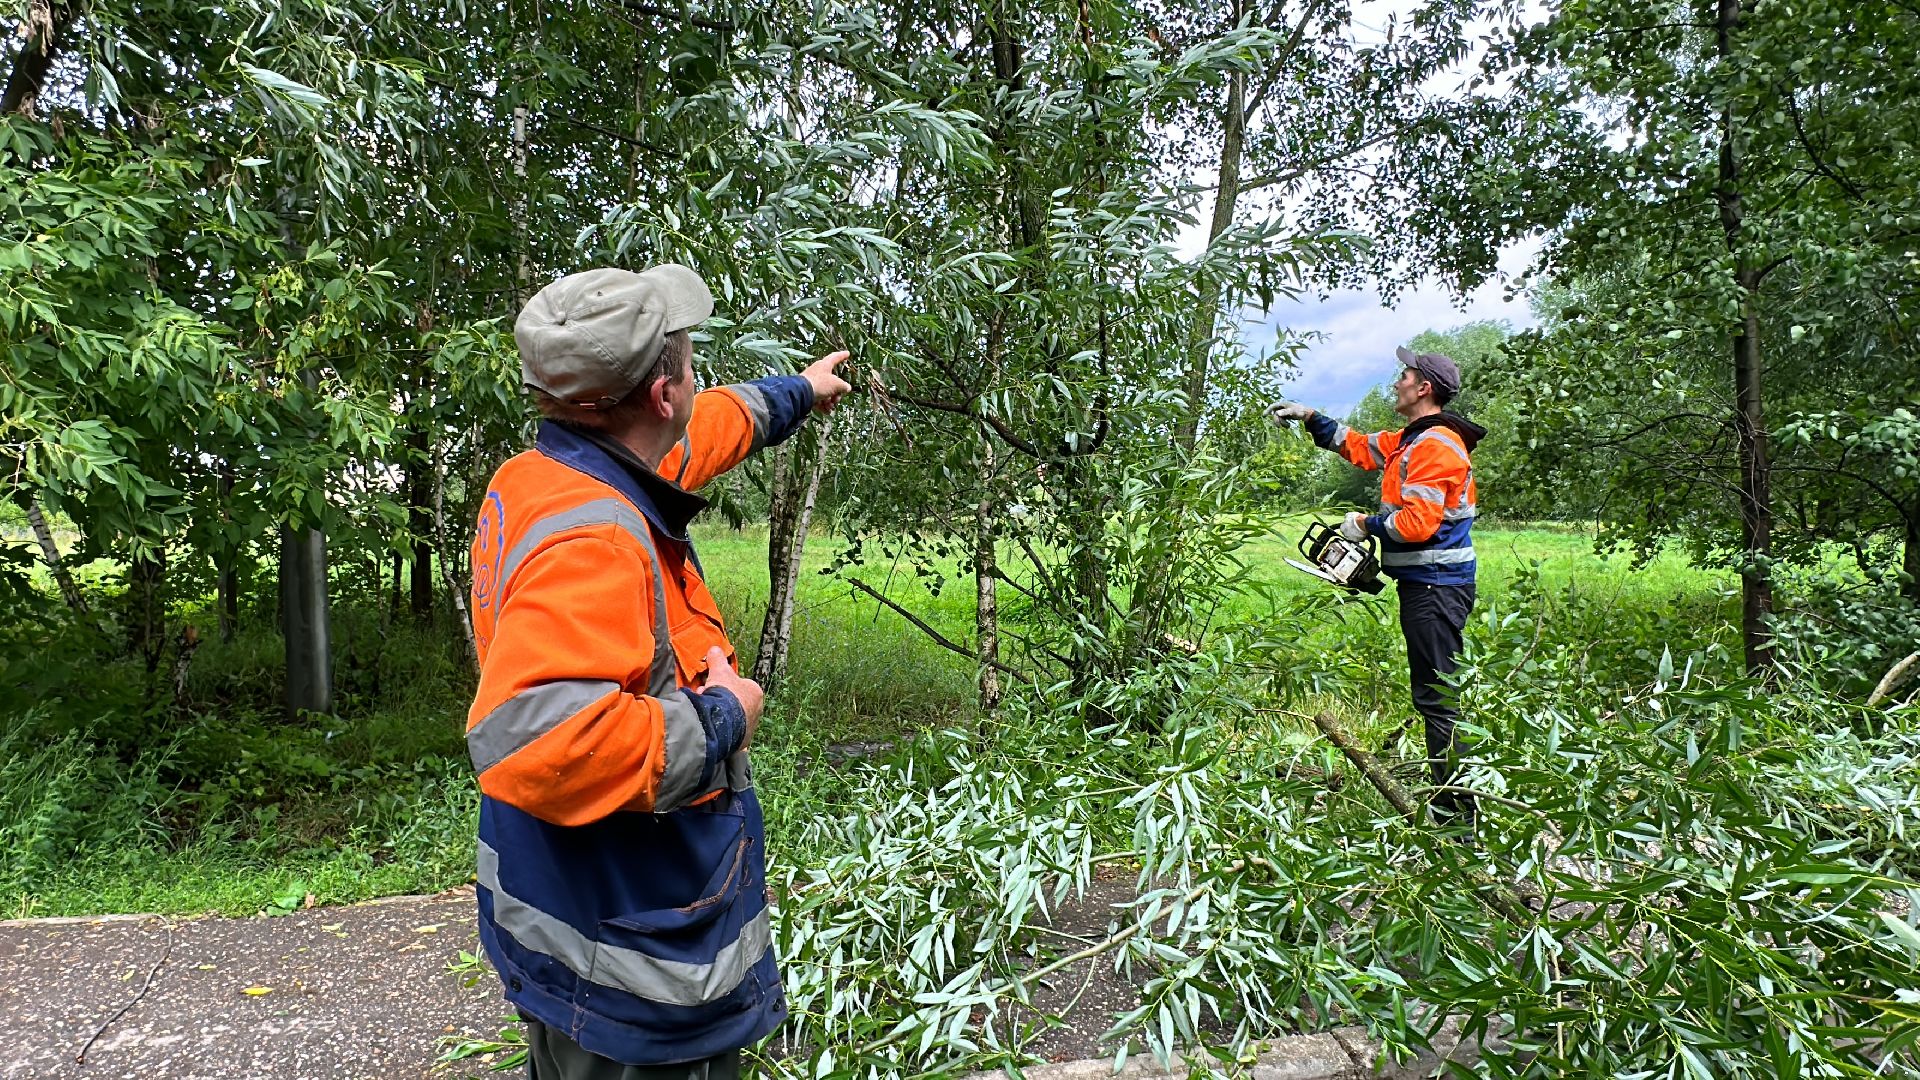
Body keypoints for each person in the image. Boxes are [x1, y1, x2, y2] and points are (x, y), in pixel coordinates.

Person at [464, 264, 851, 1079]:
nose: (694, 371)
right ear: (661, 394)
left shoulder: (544, 477)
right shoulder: (596, 539)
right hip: (631, 945)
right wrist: (724, 714)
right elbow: (537, 740)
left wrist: (798, 393)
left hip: (557, 907)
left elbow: (708, 429)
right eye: (685, 356)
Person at [1271, 347, 1486, 828]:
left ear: (1423, 387)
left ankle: (1457, 816)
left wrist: (1364, 524)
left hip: (1436, 585)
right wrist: (1311, 416)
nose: (1397, 382)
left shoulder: (1435, 445)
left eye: (1404, 375)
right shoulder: (1412, 440)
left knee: (1438, 698)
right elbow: (1361, 446)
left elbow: (1416, 524)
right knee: (1435, 694)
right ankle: (1451, 803)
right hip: (1426, 585)